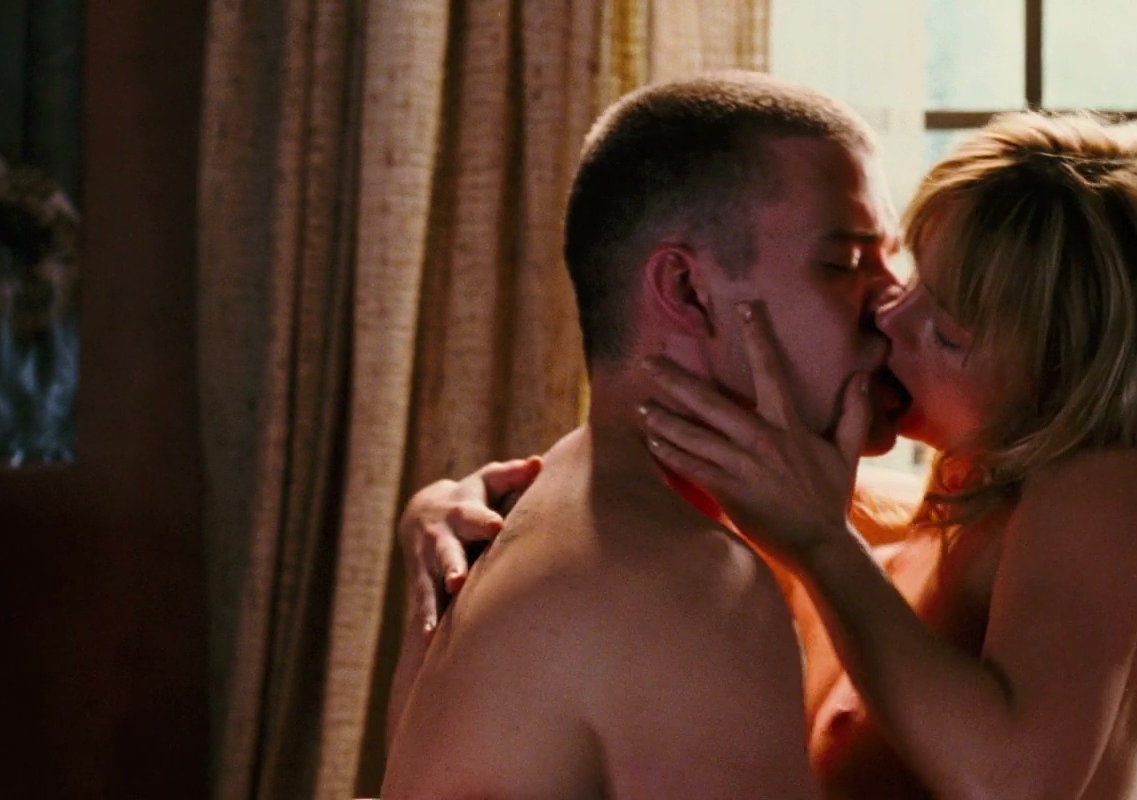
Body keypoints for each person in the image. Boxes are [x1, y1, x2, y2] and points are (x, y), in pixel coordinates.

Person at [403, 111, 1137, 799]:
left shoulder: (1100, 488)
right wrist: (477, 506)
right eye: (912, 280)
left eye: (946, 331)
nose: (890, 317)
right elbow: (738, 478)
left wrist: (821, 545)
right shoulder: (923, 513)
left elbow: (1014, 784)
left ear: (1068, 380)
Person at [379, 71, 910, 799]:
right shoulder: (684, 582)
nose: (894, 304)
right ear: (688, 291)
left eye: (894, 260)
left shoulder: (546, 514)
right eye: (845, 263)